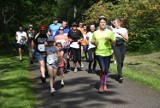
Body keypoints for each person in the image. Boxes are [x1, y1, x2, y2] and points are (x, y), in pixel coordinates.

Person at [91, 16, 116, 93]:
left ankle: (104, 84)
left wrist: (110, 40)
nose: (103, 23)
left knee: (106, 70)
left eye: (104, 22)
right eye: (101, 22)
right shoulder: (95, 32)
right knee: (103, 69)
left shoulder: (110, 32)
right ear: (99, 23)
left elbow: (114, 43)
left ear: (106, 23)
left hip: (107, 53)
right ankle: (101, 85)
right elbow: (92, 41)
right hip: (99, 53)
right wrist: (95, 43)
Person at [112, 18, 129, 83]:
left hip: (122, 45)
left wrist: (121, 34)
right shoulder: (113, 30)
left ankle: (119, 72)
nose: (114, 24)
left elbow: (127, 38)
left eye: (115, 22)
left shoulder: (124, 29)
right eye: (114, 23)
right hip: (116, 46)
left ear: (118, 23)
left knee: (121, 61)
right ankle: (120, 76)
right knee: (119, 61)